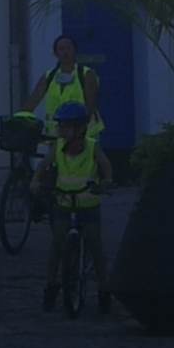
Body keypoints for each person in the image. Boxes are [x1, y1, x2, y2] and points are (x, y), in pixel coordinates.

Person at [43, 85, 110, 310]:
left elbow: (106, 168)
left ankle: (103, 288)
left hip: (88, 203)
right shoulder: (58, 147)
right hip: (64, 202)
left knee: (94, 243)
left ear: (80, 128)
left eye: (66, 126)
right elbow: (42, 167)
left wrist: (105, 182)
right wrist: (35, 181)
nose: (61, 131)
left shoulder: (92, 147)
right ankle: (50, 284)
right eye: (60, 126)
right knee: (57, 242)